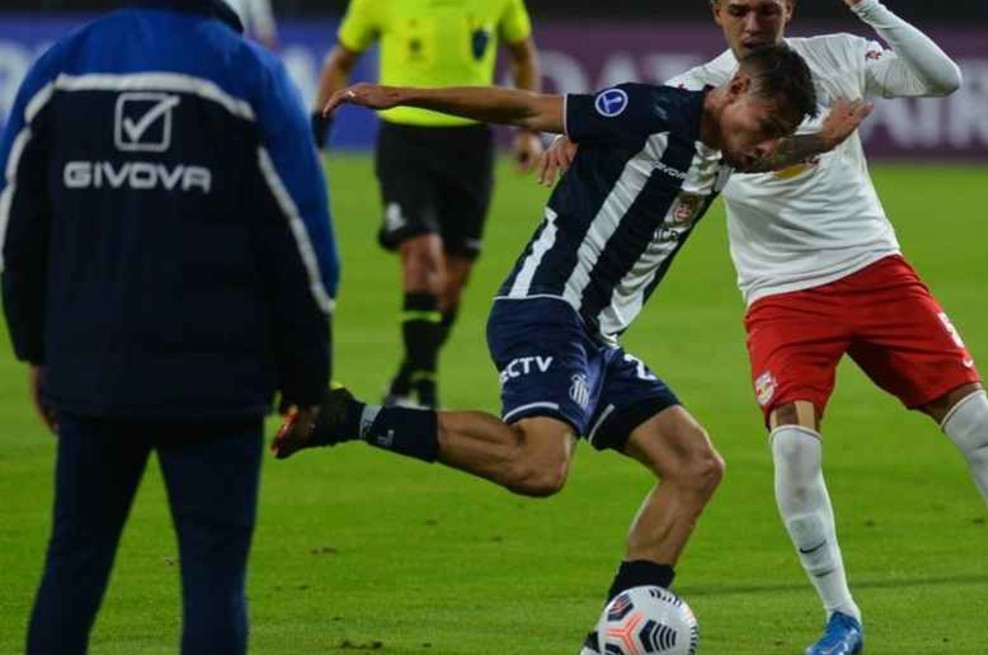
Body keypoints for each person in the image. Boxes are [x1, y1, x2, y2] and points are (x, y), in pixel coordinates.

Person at [536, 1, 988, 654]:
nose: (754, 24)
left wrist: (869, 5)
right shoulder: (696, 94)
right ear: (717, 12)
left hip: (875, 270)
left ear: (789, 8)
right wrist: (582, 136)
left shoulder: (840, 55)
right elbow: (662, 132)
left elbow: (945, 79)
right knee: (795, 452)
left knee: (980, 426)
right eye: (739, 10)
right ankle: (841, 618)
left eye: (768, 9)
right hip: (782, 295)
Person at [275, 43, 863, 651]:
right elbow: (524, 108)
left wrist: (819, 141)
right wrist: (404, 96)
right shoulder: (649, 112)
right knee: (539, 467)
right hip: (547, 307)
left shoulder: (730, 146)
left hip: (595, 338)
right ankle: (348, 417)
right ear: (735, 89)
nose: (767, 145)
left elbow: (760, 153)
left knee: (694, 467)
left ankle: (608, 641)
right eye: (767, 126)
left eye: (778, 134)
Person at [0, 0, 340, 653]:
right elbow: (304, 240)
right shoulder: (249, 74)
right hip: (220, 383)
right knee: (214, 580)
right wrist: (307, 377)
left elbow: (17, 224)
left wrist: (35, 349)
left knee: (72, 567)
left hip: (92, 372)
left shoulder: (61, 68)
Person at [312, 0, 543, 410]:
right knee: (421, 256)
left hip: (470, 146)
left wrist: (528, 132)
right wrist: (318, 138)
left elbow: (524, 57)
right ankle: (427, 395)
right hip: (405, 142)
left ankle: (406, 379)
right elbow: (340, 61)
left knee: (452, 284)